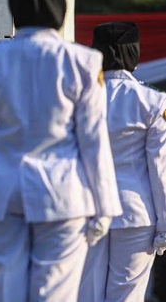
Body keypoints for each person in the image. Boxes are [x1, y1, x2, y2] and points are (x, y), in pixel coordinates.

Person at [0, 0, 123, 302]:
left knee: (3, 292)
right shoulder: (84, 61)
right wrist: (105, 205)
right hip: (63, 192)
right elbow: (93, 139)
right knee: (54, 293)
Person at [78, 21, 166, 302]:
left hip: (86, 209)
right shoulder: (153, 100)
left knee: (86, 295)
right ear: (134, 53)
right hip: (136, 212)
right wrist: (165, 225)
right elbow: (160, 166)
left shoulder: (79, 98)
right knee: (127, 296)